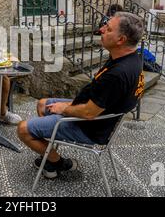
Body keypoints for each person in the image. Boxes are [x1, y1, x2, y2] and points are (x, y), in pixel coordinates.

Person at [17, 12, 145, 178]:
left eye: (108, 29)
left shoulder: (118, 74)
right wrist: (68, 106)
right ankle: (50, 156)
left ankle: (60, 163)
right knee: (42, 103)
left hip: (90, 127)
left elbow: (88, 113)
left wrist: (64, 108)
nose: (101, 29)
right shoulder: (130, 58)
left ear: (121, 40)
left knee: (23, 129)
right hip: (97, 114)